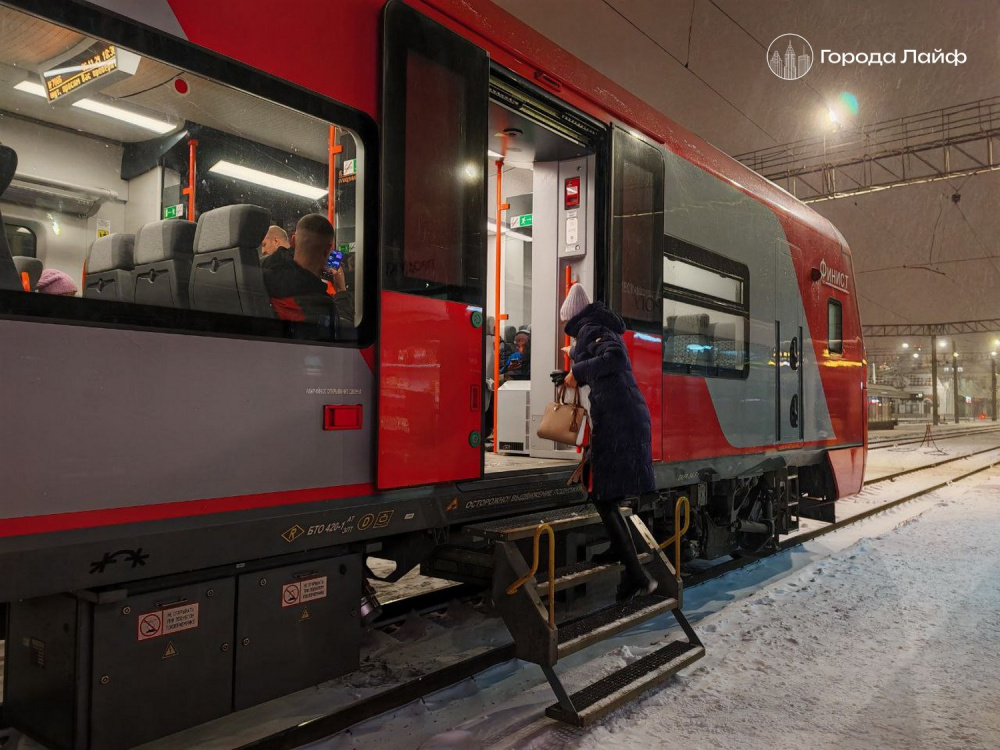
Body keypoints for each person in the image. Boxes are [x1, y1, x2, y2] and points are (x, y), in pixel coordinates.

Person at [557, 284, 658, 601]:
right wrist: (572, 371)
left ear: (571, 317)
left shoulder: (590, 328)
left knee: (602, 495)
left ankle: (639, 578)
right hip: (622, 417)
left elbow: (613, 358)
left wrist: (577, 369)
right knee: (607, 494)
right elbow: (605, 364)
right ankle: (620, 552)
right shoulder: (594, 328)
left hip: (619, 422)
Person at [262, 214, 353, 326]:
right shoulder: (323, 305)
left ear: (293, 241)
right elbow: (346, 328)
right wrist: (341, 290)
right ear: (327, 250)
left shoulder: (266, 269)